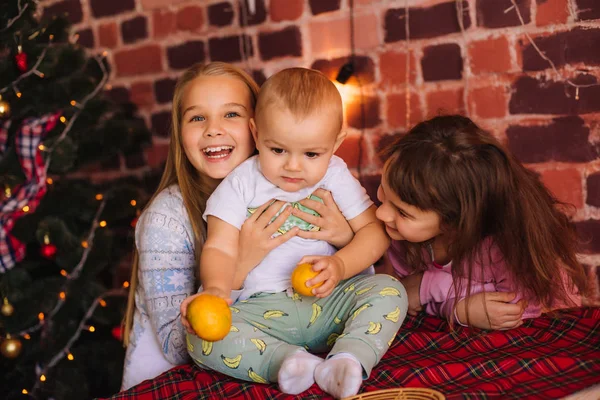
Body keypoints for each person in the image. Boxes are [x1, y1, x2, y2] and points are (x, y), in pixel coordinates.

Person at [120, 62, 355, 390]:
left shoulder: (296, 181)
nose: (213, 129)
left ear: (259, 126)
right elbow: (177, 346)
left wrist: (345, 236)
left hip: (270, 354)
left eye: (231, 114)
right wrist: (242, 260)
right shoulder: (165, 220)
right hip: (171, 379)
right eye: (197, 117)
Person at [182, 68, 407, 399]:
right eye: (278, 150)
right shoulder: (241, 183)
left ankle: (348, 358)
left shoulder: (334, 174)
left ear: (336, 143)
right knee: (199, 338)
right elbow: (219, 246)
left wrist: (341, 266)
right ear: (256, 134)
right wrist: (215, 289)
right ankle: (287, 362)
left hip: (328, 303)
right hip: (259, 313)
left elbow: (374, 233)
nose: (293, 166)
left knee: (389, 289)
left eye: (311, 154)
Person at [375, 115, 587, 330]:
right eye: (383, 191)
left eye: (402, 212)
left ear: (454, 222)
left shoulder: (503, 246)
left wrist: (428, 286)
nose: (381, 213)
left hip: (544, 323)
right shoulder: (400, 233)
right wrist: (449, 304)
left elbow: (510, 312)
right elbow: (408, 299)